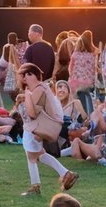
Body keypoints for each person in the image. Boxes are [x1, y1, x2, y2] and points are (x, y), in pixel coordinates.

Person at [19, 63, 79, 196]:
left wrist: (27, 95)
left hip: (34, 128)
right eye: (24, 74)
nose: (25, 78)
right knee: (38, 155)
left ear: (36, 75)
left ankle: (36, 186)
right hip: (33, 128)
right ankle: (65, 174)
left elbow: (33, 113)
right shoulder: (40, 89)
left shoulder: (38, 90)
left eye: (29, 74)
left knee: (32, 157)